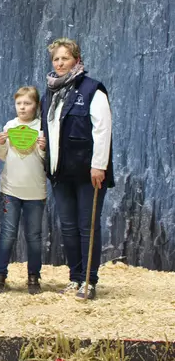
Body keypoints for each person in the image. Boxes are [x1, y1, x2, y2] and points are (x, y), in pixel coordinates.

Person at [40, 38, 113, 301]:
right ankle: (75, 277)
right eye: (56, 59)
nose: (60, 63)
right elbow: (49, 128)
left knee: (88, 225)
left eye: (65, 58)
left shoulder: (93, 89)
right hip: (61, 172)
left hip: (88, 172)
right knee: (68, 227)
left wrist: (99, 165)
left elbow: (103, 130)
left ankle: (89, 281)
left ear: (77, 60)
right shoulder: (50, 92)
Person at [0, 86, 47, 295]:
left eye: (27, 103)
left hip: (36, 192)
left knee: (34, 236)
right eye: (19, 104)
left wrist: (43, 148)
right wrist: (2, 144)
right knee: (7, 234)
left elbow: (45, 162)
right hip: (10, 190)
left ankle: (33, 277)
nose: (23, 108)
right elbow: (3, 157)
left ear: (36, 106)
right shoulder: (9, 126)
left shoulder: (42, 128)